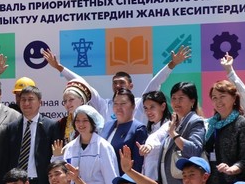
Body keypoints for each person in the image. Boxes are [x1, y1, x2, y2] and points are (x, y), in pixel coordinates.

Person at [41, 45, 190, 125]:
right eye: (115, 83)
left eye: (122, 83)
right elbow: (83, 84)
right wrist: (59, 67)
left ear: (131, 86)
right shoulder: (103, 105)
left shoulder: (139, 104)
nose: (118, 86)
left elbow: (155, 83)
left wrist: (172, 64)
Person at [157, 81, 206, 184]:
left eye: (181, 98)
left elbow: (194, 149)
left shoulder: (195, 121)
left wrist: (174, 134)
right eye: (173, 98)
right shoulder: (175, 121)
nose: (176, 102)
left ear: (192, 101)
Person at [203, 79, 245, 184]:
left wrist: (232, 169)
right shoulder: (211, 124)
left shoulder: (242, 123)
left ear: (234, 98)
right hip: (210, 183)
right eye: (214, 98)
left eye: (222, 96)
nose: (218, 101)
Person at [9, 85, 60, 184]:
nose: (26, 103)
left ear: (40, 102)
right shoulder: (12, 127)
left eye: (30, 99)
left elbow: (56, 160)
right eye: (23, 99)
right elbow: (6, 160)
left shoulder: (51, 126)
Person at [137, 90, 172, 184]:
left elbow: (157, 137)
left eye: (152, 107)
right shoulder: (150, 128)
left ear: (163, 106)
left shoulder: (169, 125)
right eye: (146, 108)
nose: (148, 112)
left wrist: (148, 146)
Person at [103, 88, 148, 171]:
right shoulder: (107, 125)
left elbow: (138, 164)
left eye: (123, 104)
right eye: (115, 103)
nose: (118, 107)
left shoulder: (138, 129)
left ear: (133, 106)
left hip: (123, 177)